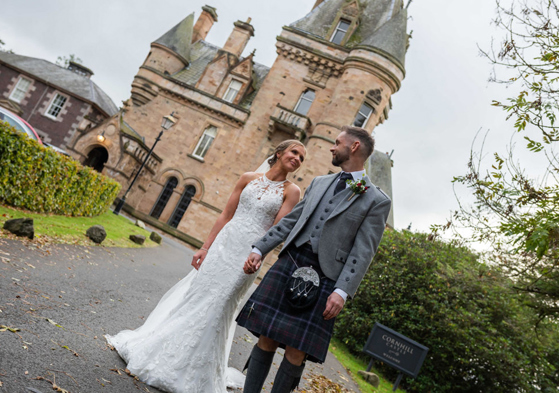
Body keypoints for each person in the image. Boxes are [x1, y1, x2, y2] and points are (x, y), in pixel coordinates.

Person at [105, 139, 306, 393]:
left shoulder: (292, 191)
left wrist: (259, 253)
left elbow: (277, 230)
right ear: (279, 153)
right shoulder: (247, 178)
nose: (298, 158)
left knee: (221, 304)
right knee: (198, 296)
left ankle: (200, 370)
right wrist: (204, 247)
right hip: (224, 245)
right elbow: (226, 214)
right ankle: (166, 353)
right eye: (294, 152)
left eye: (302, 157)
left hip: (248, 255)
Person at [236, 126, 391, 393]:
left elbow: (363, 251)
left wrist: (342, 291)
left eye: (337, 142)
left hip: (327, 276)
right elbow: (291, 222)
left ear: (353, 147)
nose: (332, 147)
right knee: (266, 336)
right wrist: (260, 249)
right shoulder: (320, 182)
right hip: (292, 261)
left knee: (297, 351)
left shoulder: (376, 199)